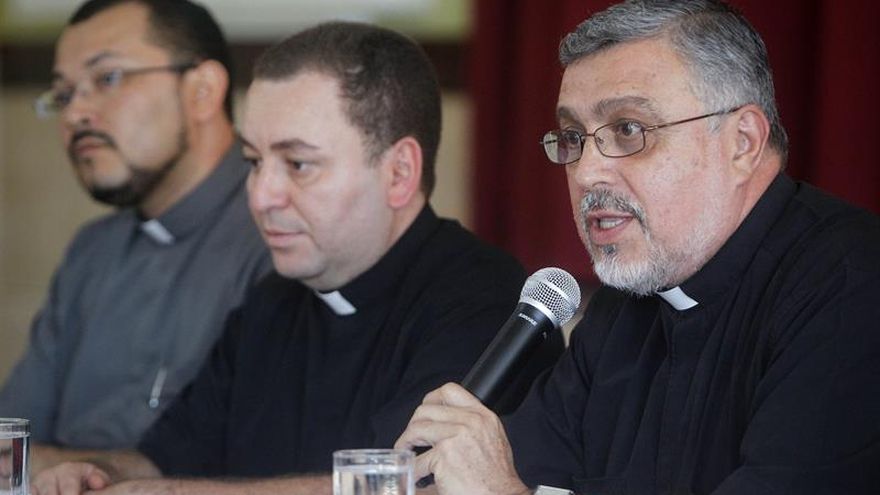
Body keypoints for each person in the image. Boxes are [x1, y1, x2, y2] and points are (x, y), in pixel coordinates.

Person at [31, 21, 564, 495]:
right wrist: (99, 473)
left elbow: (407, 486)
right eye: (253, 162)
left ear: (399, 173)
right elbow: (165, 457)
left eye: (298, 164)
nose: (261, 195)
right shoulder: (272, 301)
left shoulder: (487, 304)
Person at [395, 1, 880, 494]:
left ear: (742, 141)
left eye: (629, 130)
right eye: (573, 137)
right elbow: (509, 470)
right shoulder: (622, 309)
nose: (586, 172)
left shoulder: (851, 287)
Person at [0, 0, 273, 466]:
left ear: (203, 90)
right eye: (63, 95)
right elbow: (12, 443)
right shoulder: (92, 250)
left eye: (108, 78)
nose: (75, 114)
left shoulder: (281, 236)